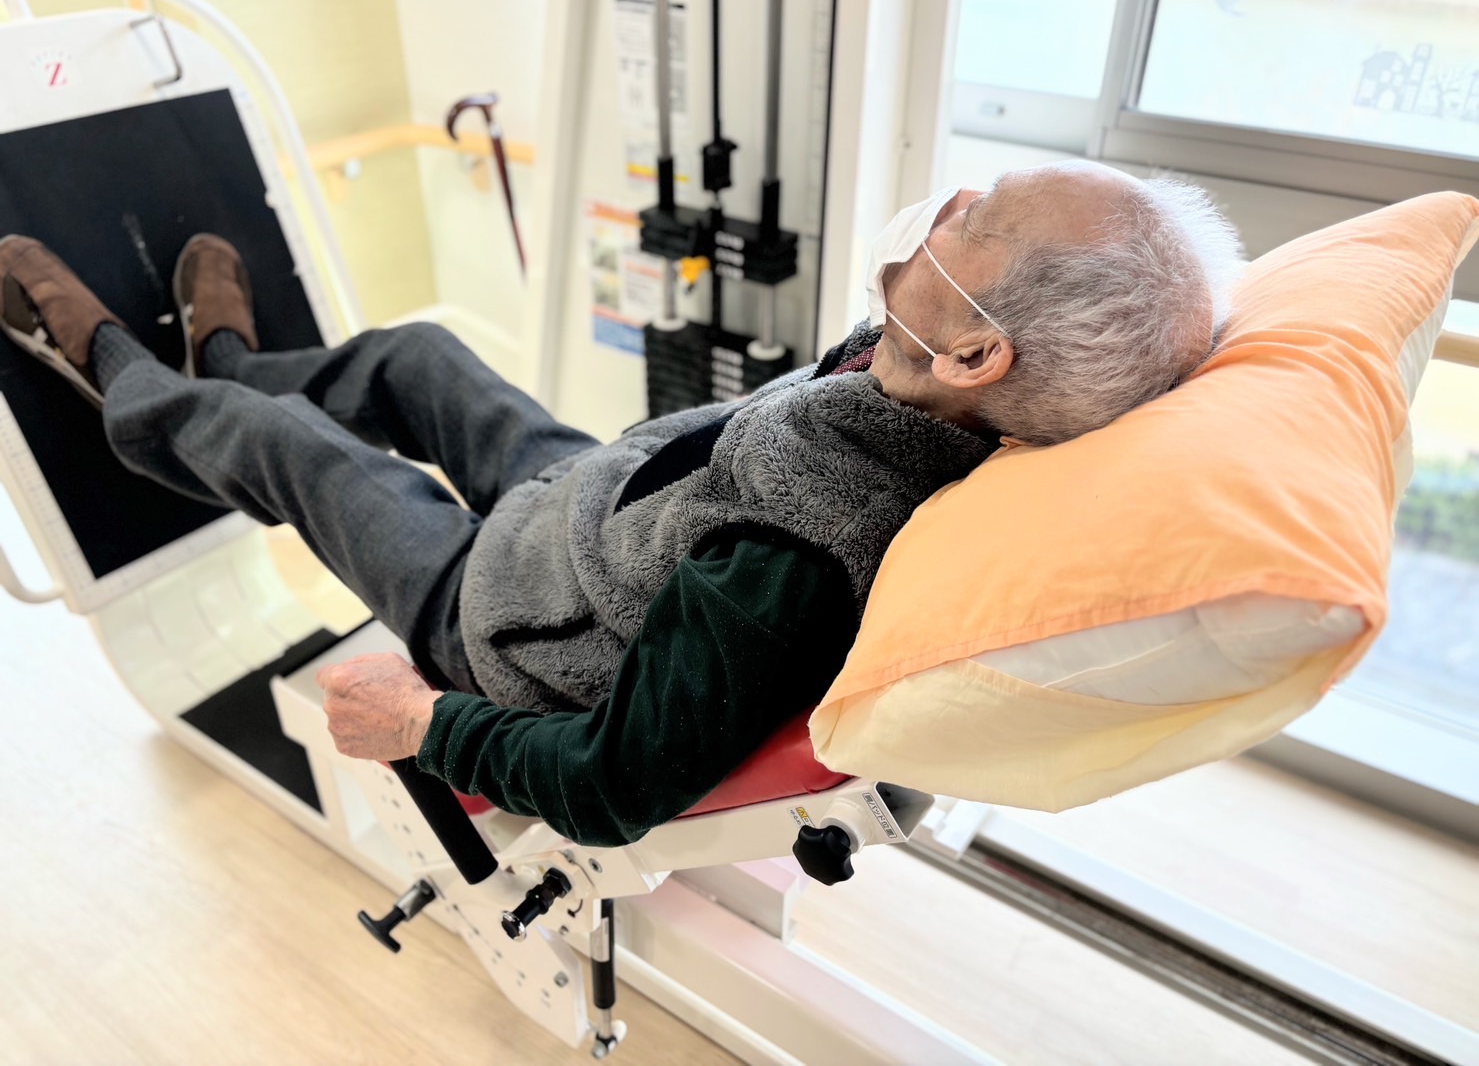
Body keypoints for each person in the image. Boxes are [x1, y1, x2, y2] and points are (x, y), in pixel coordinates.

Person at [0, 160, 1241, 845]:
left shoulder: (790, 561)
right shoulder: (915, 370)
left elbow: (611, 785)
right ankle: (226, 359)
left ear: (977, 355)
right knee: (414, 354)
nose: (947, 212)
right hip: (599, 505)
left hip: (497, 616)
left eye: (980, 221)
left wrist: (426, 720)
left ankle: (114, 368)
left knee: (282, 444)